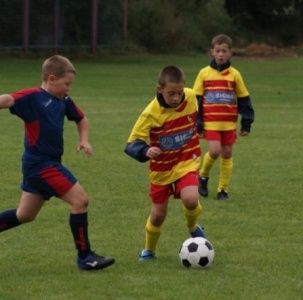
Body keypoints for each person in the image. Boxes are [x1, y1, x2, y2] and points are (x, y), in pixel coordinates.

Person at [0, 55, 115, 271]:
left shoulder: (63, 100)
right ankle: (85, 257)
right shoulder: (33, 97)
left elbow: (81, 118)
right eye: (66, 84)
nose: (68, 89)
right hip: (40, 165)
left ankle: (85, 257)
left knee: (24, 215)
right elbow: (7, 99)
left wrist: (84, 139)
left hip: (46, 163)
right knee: (80, 200)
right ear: (51, 78)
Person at [125, 66, 205, 261]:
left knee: (191, 199)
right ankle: (149, 250)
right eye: (171, 93)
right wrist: (145, 150)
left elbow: (198, 111)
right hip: (161, 170)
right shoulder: (150, 114)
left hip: (187, 161)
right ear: (159, 88)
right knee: (158, 215)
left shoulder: (191, 96)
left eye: (179, 92)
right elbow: (131, 144)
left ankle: (193, 227)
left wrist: (200, 126)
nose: (176, 98)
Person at [193, 34, 255, 200]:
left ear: (230, 53)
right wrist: (197, 123)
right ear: (212, 52)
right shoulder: (204, 74)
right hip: (211, 123)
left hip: (228, 124)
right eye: (218, 51)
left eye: (224, 51)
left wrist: (246, 123)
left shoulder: (234, 75)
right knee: (214, 151)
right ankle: (203, 176)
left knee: (227, 154)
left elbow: (244, 99)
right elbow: (196, 100)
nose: (221, 54)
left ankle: (223, 190)